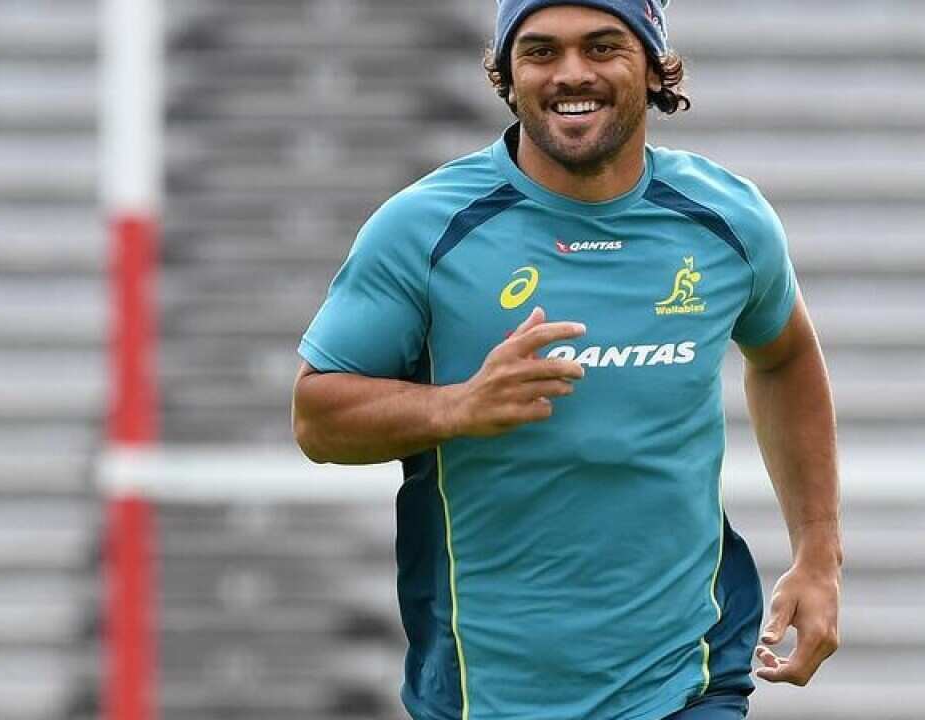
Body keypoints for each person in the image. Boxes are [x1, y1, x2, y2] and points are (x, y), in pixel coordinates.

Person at [291, 1, 842, 718]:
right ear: (507, 74)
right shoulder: (422, 229)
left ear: (654, 66)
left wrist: (818, 553)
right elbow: (317, 418)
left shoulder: (728, 221)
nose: (571, 73)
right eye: (541, 51)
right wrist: (457, 407)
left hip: (689, 674)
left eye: (603, 47)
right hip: (486, 690)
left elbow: (784, 357)